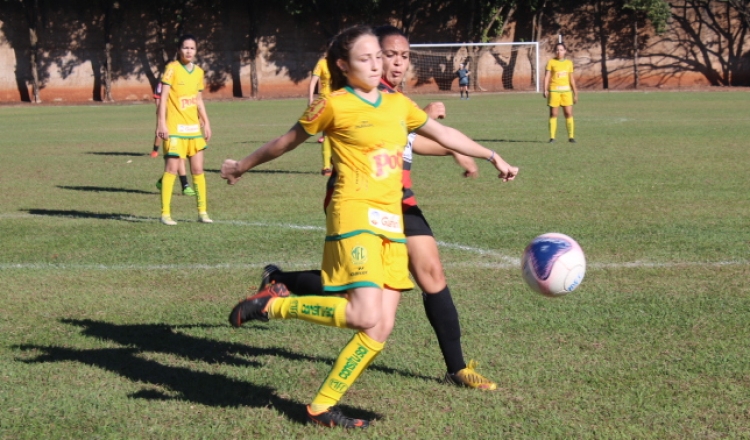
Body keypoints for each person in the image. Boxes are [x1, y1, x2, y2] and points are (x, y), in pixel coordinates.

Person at [221, 25, 518, 429]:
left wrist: (491, 155)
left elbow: (443, 134)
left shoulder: (398, 105)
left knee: (380, 327)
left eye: (379, 56)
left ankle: (320, 407)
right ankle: (275, 304)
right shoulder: (332, 104)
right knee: (364, 313)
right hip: (353, 213)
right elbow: (285, 142)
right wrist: (240, 166)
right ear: (343, 65)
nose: (378, 63)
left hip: (392, 220)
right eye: (367, 58)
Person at [156, 34, 213, 225]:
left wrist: (206, 122)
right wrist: (161, 124)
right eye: (185, 48)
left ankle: (202, 212)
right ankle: (165, 214)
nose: (189, 51)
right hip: (174, 129)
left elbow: (198, 100)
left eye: (192, 48)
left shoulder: (198, 72)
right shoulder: (171, 69)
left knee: (198, 169)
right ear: (179, 49)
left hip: (193, 129)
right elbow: (163, 98)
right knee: (171, 168)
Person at [151, 81, 196, 196]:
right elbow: (158, 103)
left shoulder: (184, 82)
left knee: (181, 157)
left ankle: (162, 181)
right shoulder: (164, 83)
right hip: (170, 125)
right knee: (178, 157)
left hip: (183, 124)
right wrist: (161, 123)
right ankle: (185, 186)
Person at [543, 43, 578, 143]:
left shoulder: (569, 63)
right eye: (557, 50)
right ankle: (552, 138)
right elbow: (546, 77)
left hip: (566, 92)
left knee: (568, 113)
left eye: (561, 50)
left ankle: (571, 137)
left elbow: (571, 79)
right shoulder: (551, 62)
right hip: (554, 91)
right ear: (555, 51)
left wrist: (575, 93)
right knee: (553, 114)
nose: (559, 52)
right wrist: (545, 89)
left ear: (565, 51)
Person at [308, 55, 333, 176]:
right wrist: (311, 99)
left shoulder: (343, 62)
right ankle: (326, 167)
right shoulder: (322, 63)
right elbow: (313, 81)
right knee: (327, 133)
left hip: (341, 101)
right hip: (325, 102)